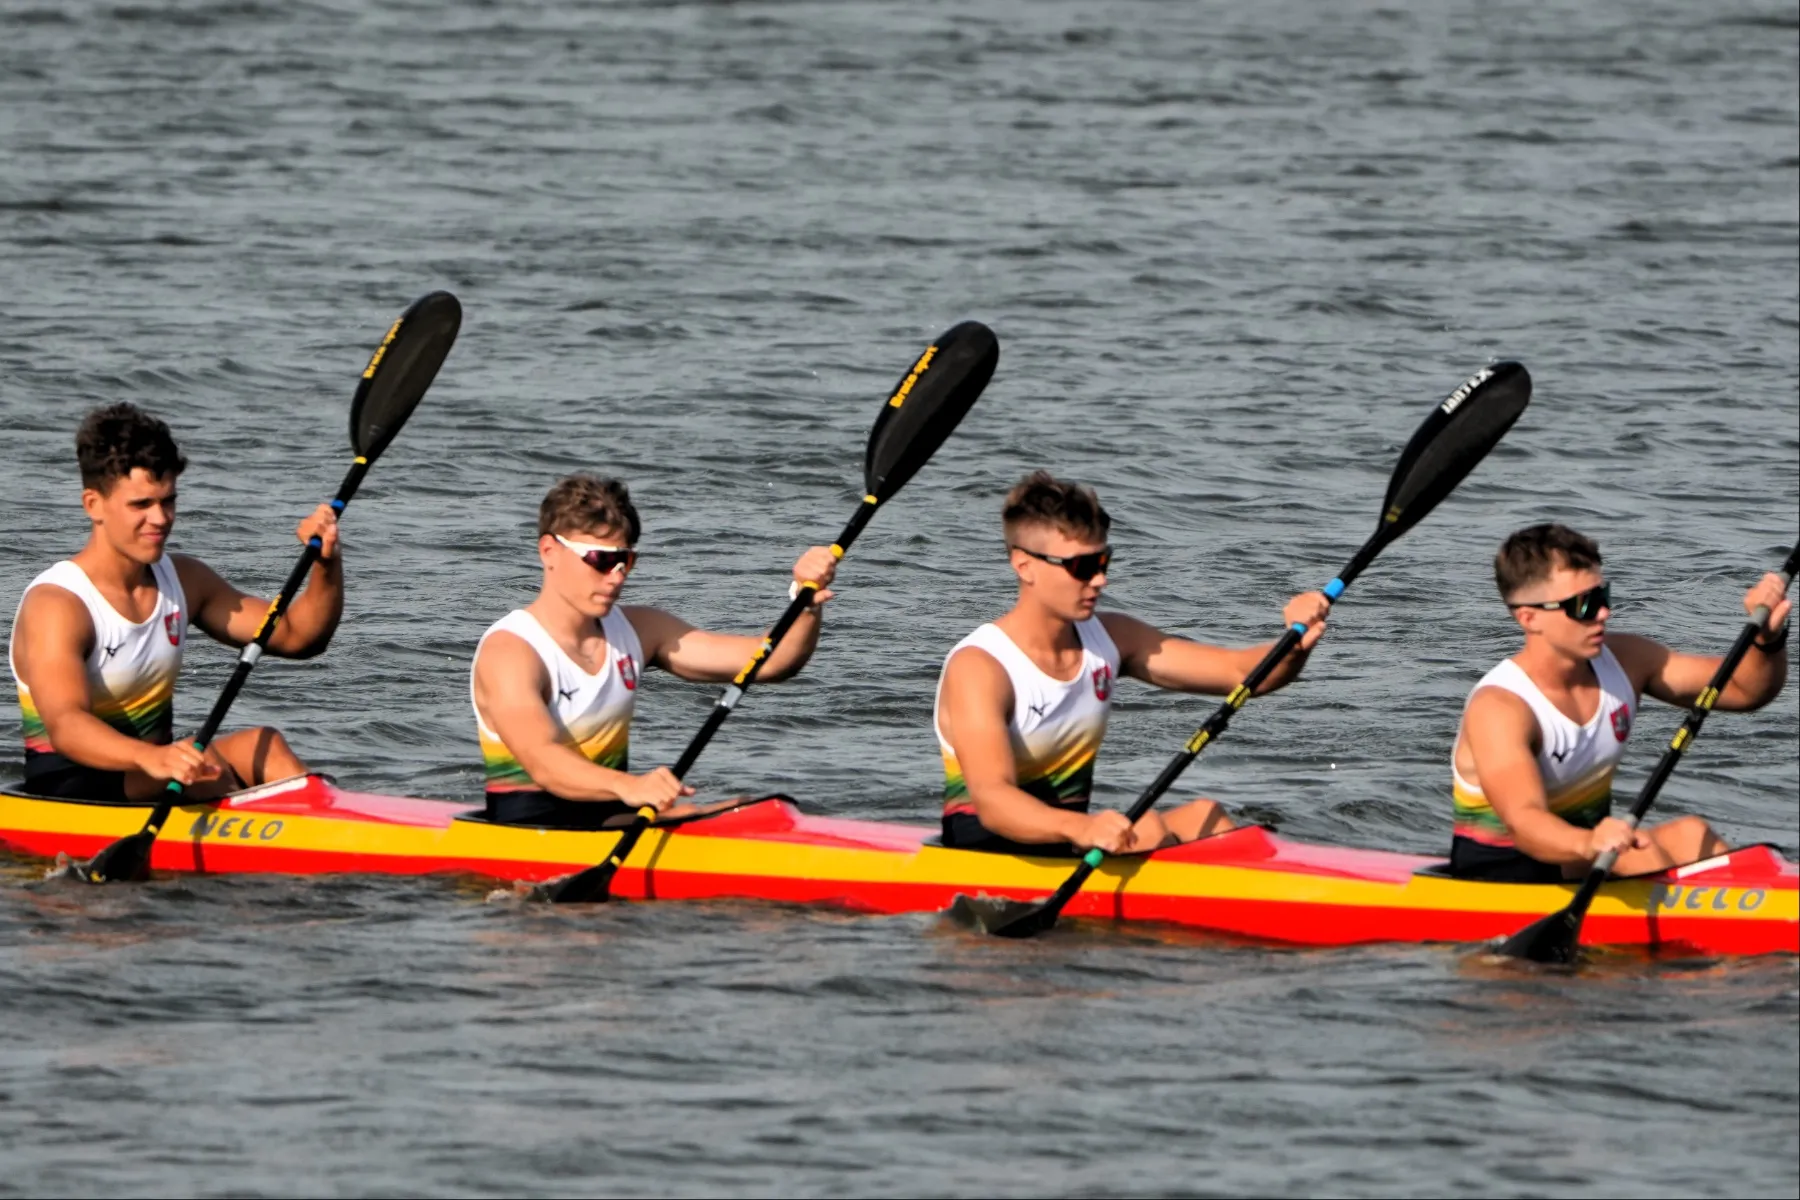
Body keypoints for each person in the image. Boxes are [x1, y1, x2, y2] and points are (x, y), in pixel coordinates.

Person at [933, 471, 1330, 856]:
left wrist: (1295, 642)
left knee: (1203, 816)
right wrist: (1083, 827)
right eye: (1082, 567)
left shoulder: (1111, 639)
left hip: (1065, 845)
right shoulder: (981, 668)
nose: (1100, 580)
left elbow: (1242, 675)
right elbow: (994, 799)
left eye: (1104, 561)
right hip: (989, 854)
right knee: (1152, 829)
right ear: (1024, 565)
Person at [9, 403, 343, 802]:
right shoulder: (58, 604)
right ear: (93, 504)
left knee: (265, 746)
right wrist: (150, 757)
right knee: (206, 776)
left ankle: (340, 835)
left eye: (168, 501)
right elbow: (66, 725)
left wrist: (326, 564)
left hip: (156, 773)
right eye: (141, 504)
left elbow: (297, 637)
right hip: (73, 792)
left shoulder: (183, 580)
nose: (161, 518)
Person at [470, 473, 839, 828]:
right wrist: (631, 787)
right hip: (530, 831)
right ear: (549, 550)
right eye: (599, 560)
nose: (616, 576)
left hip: (611, 823)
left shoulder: (640, 629)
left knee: (749, 811)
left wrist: (805, 600)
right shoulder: (512, 652)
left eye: (625, 560)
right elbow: (543, 760)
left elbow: (769, 662)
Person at [1450, 523, 1791, 882]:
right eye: (1583, 605)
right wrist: (1591, 842)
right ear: (1528, 617)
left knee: (1693, 836)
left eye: (1602, 596)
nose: (1602, 614)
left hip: (1585, 858)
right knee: (1637, 858)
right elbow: (1525, 821)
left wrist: (1767, 639)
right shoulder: (1501, 708)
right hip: (1503, 873)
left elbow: (1744, 690)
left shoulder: (1627, 660)